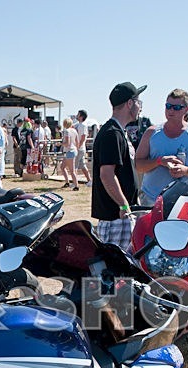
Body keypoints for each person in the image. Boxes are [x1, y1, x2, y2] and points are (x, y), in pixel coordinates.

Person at [136, 89, 188, 206]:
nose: (171, 110)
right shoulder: (151, 133)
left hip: (183, 201)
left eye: (177, 107)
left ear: (186, 110)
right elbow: (138, 166)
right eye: (168, 106)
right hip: (151, 199)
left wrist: (186, 170)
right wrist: (159, 161)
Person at [91, 82, 145, 249]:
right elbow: (107, 174)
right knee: (116, 270)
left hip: (120, 216)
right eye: (138, 102)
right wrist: (123, 204)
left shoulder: (118, 131)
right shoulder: (112, 133)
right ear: (130, 103)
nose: (140, 107)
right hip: (115, 218)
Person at [59, 117, 79, 191]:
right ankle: (67, 182)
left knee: (72, 170)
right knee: (62, 167)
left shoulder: (67, 131)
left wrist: (61, 144)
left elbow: (67, 143)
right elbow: (77, 142)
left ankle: (76, 185)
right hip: (73, 151)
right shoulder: (74, 131)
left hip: (69, 151)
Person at [74, 110, 91, 185]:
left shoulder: (83, 125)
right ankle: (89, 180)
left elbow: (83, 137)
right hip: (80, 148)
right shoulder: (79, 125)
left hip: (80, 149)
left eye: (78, 114)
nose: (77, 115)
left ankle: (75, 183)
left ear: (81, 116)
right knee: (83, 166)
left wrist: (78, 147)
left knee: (75, 166)